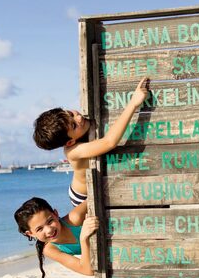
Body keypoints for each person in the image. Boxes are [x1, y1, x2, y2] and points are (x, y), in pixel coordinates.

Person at [33, 76, 150, 205]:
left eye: (71, 114)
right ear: (70, 142)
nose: (78, 118)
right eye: (74, 125)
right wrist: (133, 103)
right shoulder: (73, 151)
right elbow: (109, 142)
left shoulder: (82, 123)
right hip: (82, 195)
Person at [14, 195, 98, 278]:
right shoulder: (50, 249)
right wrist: (84, 239)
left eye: (50, 221)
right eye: (40, 229)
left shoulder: (75, 218)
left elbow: (94, 196)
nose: (49, 230)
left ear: (56, 214)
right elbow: (88, 270)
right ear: (30, 233)